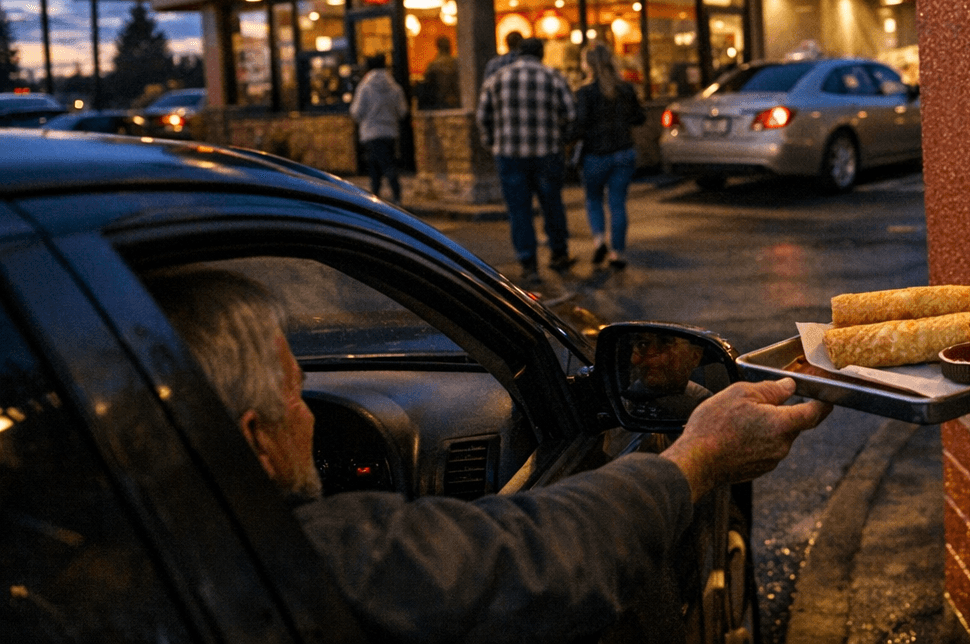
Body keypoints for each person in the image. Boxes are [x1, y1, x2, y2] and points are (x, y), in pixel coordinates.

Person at [146, 266, 829, 644]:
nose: (311, 418)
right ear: (254, 442)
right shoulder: (303, 562)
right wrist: (698, 457)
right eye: (296, 396)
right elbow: (538, 557)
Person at [477, 34, 576, 279]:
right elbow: (571, 113)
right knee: (552, 204)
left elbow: (482, 116)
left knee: (519, 210)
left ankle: (528, 263)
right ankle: (559, 254)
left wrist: (492, 142)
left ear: (519, 52)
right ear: (541, 54)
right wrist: (560, 136)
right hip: (547, 152)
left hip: (509, 154)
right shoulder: (553, 76)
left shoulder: (498, 78)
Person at [569, 42, 648, 270]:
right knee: (617, 203)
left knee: (593, 199)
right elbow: (639, 118)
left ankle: (599, 240)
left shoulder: (584, 92)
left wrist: (566, 137)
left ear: (587, 64)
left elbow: (579, 125)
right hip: (623, 152)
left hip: (595, 155)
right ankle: (617, 253)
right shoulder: (626, 89)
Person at [349, 54, 407, 203]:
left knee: (376, 167)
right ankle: (393, 196)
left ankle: (376, 198)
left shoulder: (365, 87)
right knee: (388, 162)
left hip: (371, 132)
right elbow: (402, 111)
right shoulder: (394, 87)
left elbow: (356, 112)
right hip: (390, 132)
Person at [421, 35, 460, 110]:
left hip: (438, 103)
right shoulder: (455, 63)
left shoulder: (433, 65)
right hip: (453, 102)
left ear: (438, 47)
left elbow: (426, 86)